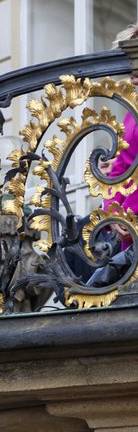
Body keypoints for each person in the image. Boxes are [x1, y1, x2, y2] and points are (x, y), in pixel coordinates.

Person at [86, 24, 138, 287]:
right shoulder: (131, 115)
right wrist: (113, 212)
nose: (132, 73)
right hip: (124, 230)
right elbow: (121, 168)